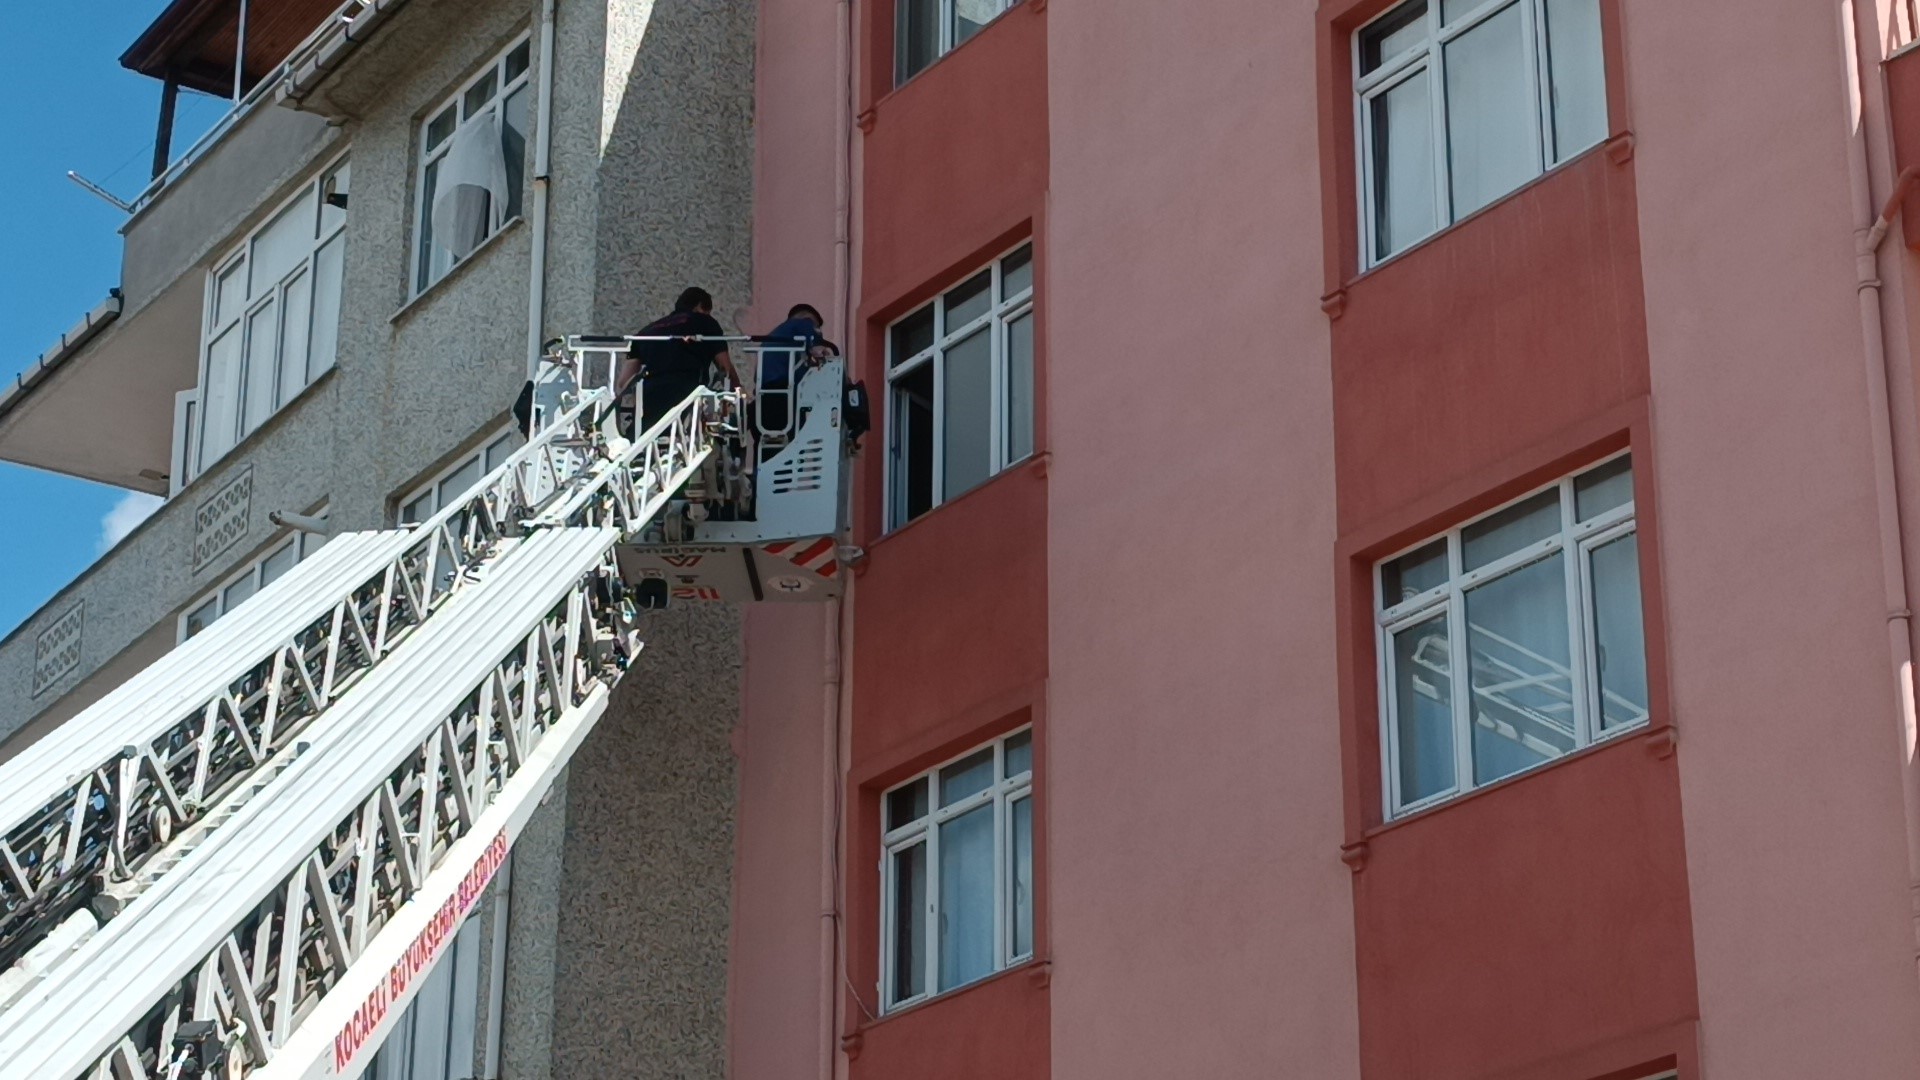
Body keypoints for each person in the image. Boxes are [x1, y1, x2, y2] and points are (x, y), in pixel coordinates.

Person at [616, 287, 744, 434]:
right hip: (687, 390)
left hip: (650, 391)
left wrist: (628, 400)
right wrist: (738, 392)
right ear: (700, 306)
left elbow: (623, 382)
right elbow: (724, 366)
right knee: (683, 433)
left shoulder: (647, 331)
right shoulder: (705, 322)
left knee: (645, 433)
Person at [755, 303, 840, 435]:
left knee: (770, 439)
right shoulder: (802, 323)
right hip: (783, 392)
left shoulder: (777, 338)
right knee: (793, 435)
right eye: (816, 326)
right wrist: (821, 351)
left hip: (764, 395)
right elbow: (816, 344)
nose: (818, 330)